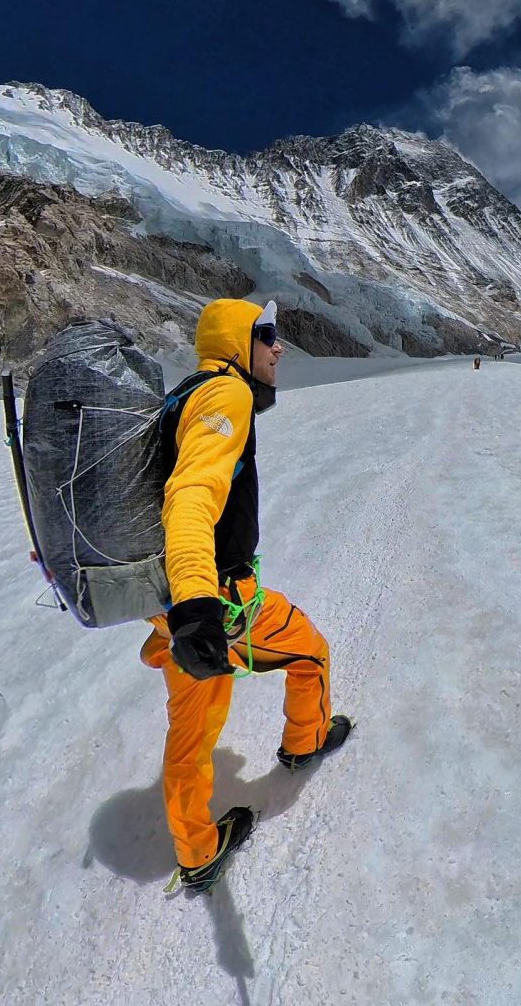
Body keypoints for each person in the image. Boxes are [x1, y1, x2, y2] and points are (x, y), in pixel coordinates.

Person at [140, 297, 352, 892]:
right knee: (309, 651)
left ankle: (197, 848)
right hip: (216, 602)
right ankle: (304, 744)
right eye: (268, 336)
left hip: (167, 604)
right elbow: (191, 498)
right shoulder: (227, 396)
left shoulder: (184, 393)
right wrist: (201, 608)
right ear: (238, 342)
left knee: (193, 726)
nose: (280, 347)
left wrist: (182, 611)